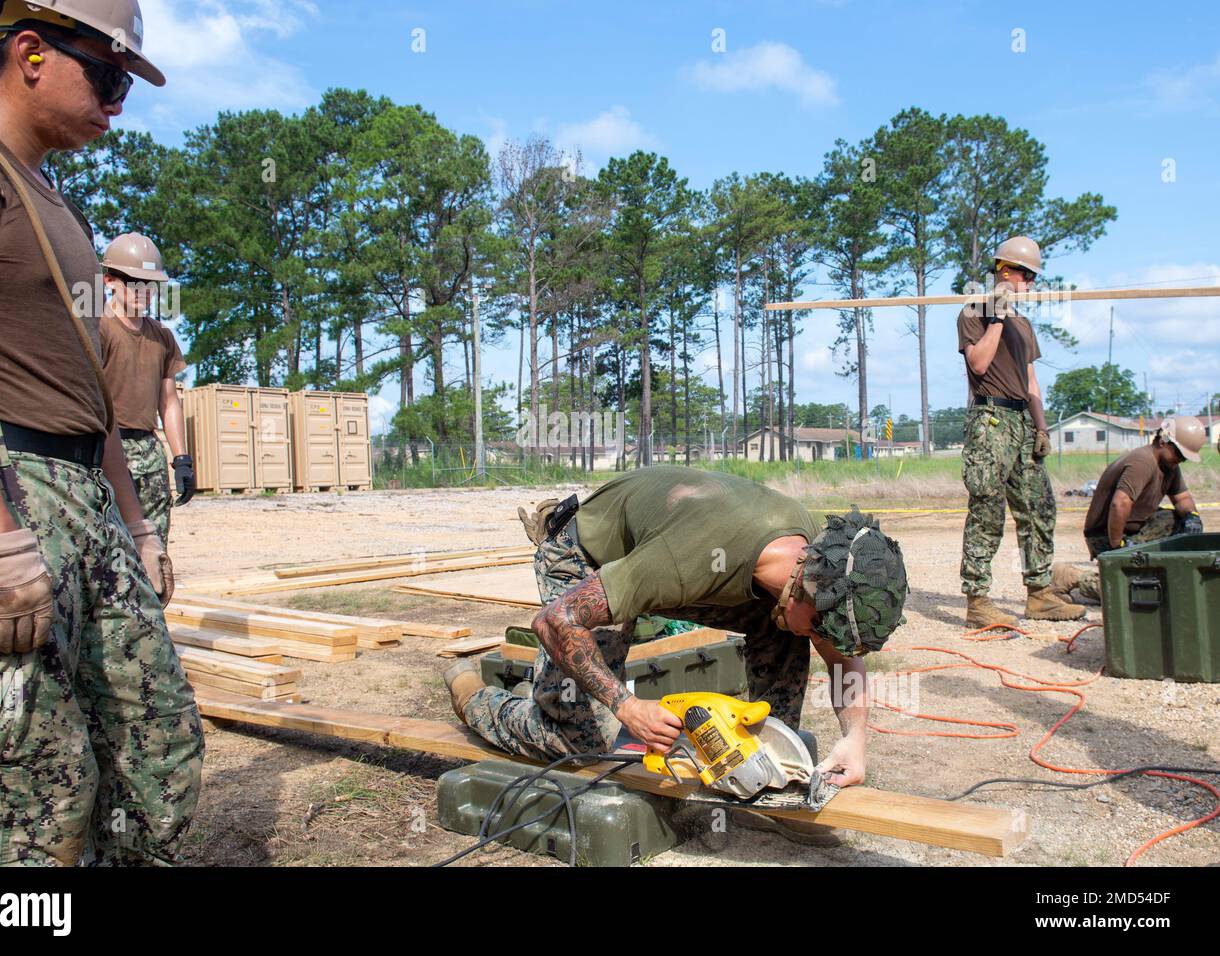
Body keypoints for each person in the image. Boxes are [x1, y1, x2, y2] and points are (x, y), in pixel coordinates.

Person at [0, 0, 202, 865]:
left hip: (87, 500)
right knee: (34, 799)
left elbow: (89, 393)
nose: (120, 102)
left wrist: (139, 522)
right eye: (110, 76)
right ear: (31, 53)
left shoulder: (63, 211)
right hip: (6, 490)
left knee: (160, 755)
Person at [444, 467, 908, 803]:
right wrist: (627, 707)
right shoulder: (690, 557)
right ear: (805, 589)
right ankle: (471, 693)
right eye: (823, 629)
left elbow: (842, 658)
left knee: (783, 630)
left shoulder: (816, 564)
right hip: (586, 556)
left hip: (669, 559)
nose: (826, 642)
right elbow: (554, 621)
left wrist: (855, 738)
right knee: (578, 738)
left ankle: (764, 746)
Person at [957, 235, 1085, 628]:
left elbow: (1030, 381)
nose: (1030, 283)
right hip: (991, 421)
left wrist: (1041, 426)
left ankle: (1040, 593)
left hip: (1022, 423)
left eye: (1033, 277)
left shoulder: (1024, 325)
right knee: (987, 511)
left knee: (1038, 508)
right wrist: (995, 318)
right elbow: (979, 364)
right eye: (1026, 275)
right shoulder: (973, 312)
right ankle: (978, 602)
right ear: (1004, 271)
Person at [100, 232, 195, 543]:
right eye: (134, 281)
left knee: (154, 549)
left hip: (149, 452)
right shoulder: (96, 328)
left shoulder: (162, 337)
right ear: (109, 280)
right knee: (113, 551)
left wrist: (182, 459)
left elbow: (168, 401)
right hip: (106, 451)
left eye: (150, 283)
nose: (144, 291)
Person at [1051, 417, 1205, 604]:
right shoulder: (1142, 462)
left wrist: (1192, 517)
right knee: (1138, 595)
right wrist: (1118, 548)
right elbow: (1119, 504)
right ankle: (1070, 577)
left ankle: (1156, 570)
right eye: (1179, 454)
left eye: (1184, 458)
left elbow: (1183, 498)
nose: (1180, 460)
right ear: (1164, 441)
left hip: (1135, 529)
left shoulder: (1169, 466)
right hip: (1106, 535)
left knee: (1179, 519)